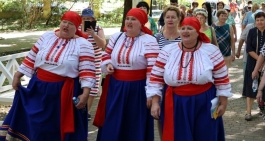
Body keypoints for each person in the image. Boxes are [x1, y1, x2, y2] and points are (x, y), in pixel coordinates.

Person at [0, 11, 96, 141]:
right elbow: (31, 57)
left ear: (77, 27)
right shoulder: (47, 37)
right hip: (38, 88)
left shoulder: (84, 45)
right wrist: (18, 75)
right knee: (36, 125)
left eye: (71, 24)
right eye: (64, 22)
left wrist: (85, 94)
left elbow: (87, 71)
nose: (66, 26)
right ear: (60, 23)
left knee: (53, 128)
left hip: (62, 92)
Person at [147, 17, 232, 141]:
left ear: (198, 32)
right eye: (183, 28)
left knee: (204, 135)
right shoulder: (168, 51)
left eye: (190, 28)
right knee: (179, 136)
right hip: (176, 102)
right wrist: (155, 102)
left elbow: (222, 78)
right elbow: (156, 78)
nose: (185, 31)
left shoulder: (211, 50)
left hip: (204, 101)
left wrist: (223, 103)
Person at [93, 8, 160, 141]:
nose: (129, 22)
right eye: (128, 18)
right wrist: (108, 64)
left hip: (138, 89)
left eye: (133, 19)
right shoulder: (117, 37)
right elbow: (106, 54)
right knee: (113, 120)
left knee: (133, 122)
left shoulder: (149, 40)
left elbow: (153, 69)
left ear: (141, 23)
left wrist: (151, 94)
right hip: (115, 87)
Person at [154, 6, 182, 140]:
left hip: (179, 82)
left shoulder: (184, 37)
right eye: (167, 17)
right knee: (161, 115)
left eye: (173, 17)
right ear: (164, 19)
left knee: (178, 115)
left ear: (178, 19)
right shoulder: (157, 37)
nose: (170, 20)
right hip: (161, 82)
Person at [242, 11, 265, 121]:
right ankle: (248, 111)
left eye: (262, 20)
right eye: (257, 20)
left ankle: (263, 110)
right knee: (251, 86)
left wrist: (262, 62)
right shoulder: (251, 31)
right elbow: (249, 49)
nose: (259, 22)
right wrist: (258, 61)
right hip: (252, 63)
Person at [80, 8, 107, 121]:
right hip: (80, 62)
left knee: (93, 88)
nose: (86, 20)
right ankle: (79, 109)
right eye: (84, 18)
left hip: (94, 62)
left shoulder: (98, 28)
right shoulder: (77, 28)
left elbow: (102, 44)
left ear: (93, 19)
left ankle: (87, 111)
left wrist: (93, 34)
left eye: (89, 18)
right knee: (81, 86)